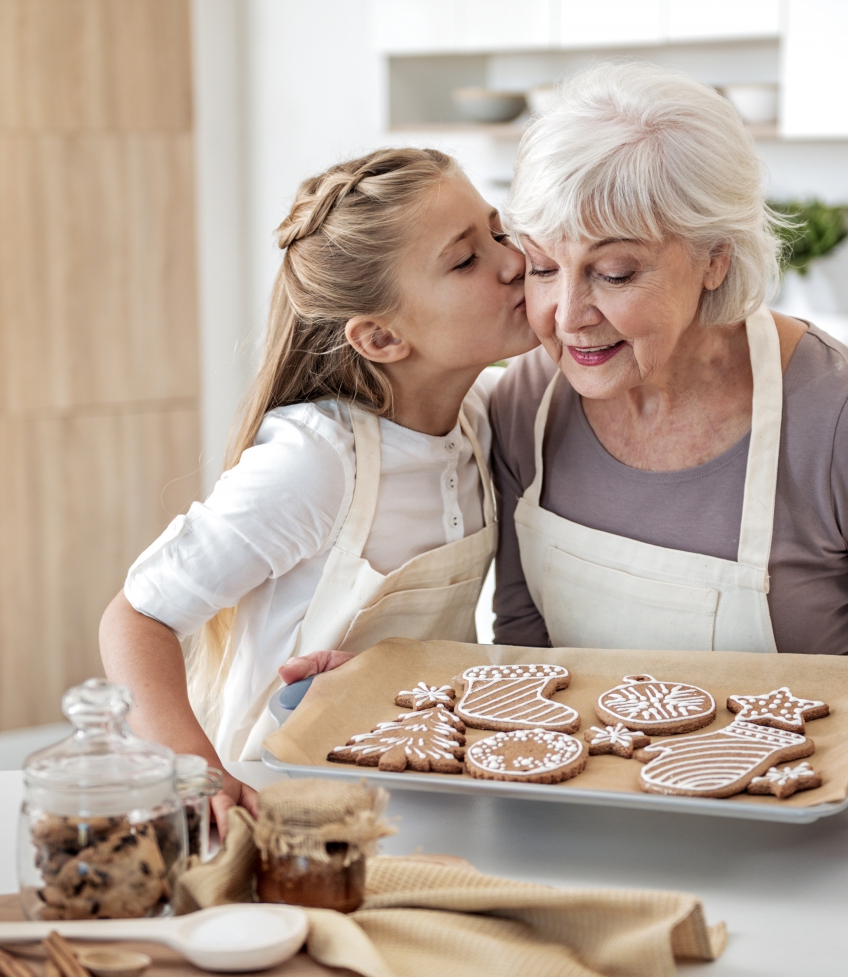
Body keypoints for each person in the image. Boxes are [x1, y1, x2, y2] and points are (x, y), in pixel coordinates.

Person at [489, 63, 848, 786]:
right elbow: (525, 661)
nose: (567, 313)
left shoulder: (844, 422)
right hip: (568, 826)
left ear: (715, 260)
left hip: (789, 846)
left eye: (614, 273)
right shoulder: (528, 403)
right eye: (543, 267)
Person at [99, 148, 535, 827]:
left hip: (426, 794)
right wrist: (196, 771)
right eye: (466, 259)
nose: (514, 262)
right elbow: (137, 618)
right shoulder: (316, 461)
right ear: (383, 336)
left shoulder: (485, 416)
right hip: (282, 807)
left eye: (499, 231)